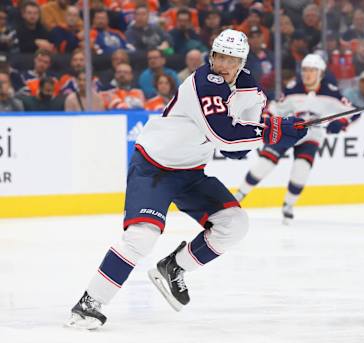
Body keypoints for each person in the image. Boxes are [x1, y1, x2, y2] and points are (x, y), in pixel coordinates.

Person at [66, 28, 307, 330]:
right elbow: (225, 135)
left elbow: (235, 151)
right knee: (141, 238)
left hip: (190, 171)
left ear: (241, 62)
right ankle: (89, 302)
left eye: (230, 59)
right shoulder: (202, 83)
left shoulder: (252, 92)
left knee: (235, 223)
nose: (222, 63)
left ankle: (174, 266)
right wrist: (272, 129)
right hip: (154, 166)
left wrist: (280, 134)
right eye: (219, 56)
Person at [235, 54, 354, 224]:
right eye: (305, 70)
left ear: (320, 72)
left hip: (311, 135)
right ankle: (239, 196)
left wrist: (339, 124)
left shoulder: (332, 92)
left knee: (302, 168)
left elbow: (352, 113)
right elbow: (274, 109)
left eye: (312, 70)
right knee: (265, 163)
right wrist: (267, 122)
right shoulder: (292, 88)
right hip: (289, 131)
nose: (307, 74)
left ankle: (288, 205)